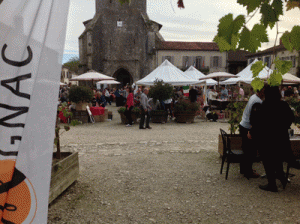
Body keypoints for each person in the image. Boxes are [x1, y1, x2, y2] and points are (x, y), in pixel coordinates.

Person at [249, 86, 295, 192]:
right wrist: (284, 127)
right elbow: (291, 118)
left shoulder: (265, 106)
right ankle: (282, 178)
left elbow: (258, 123)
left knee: (268, 162)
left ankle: (272, 184)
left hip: (267, 139)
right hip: (281, 138)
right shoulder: (283, 104)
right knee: (278, 159)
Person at [239, 86, 265, 179]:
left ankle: (244, 169)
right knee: (250, 151)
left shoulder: (253, 97)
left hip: (243, 124)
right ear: (262, 91)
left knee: (246, 149)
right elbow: (254, 119)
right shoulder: (258, 102)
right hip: (248, 127)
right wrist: (251, 130)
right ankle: (248, 172)